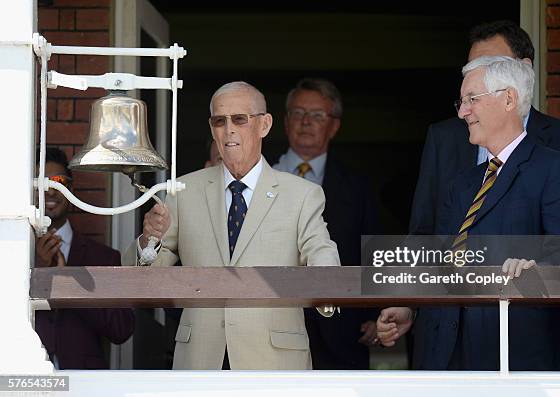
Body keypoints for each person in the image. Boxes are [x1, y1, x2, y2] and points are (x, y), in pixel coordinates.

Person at [378, 20, 560, 371]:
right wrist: (409, 300)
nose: (462, 111)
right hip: (444, 346)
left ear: (509, 97)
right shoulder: (464, 181)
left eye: (472, 99)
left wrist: (535, 270)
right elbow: (432, 244)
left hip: (514, 346)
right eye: (462, 100)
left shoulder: (555, 164)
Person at [122, 81, 341, 370]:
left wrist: (328, 287)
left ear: (264, 125)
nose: (229, 130)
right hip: (201, 358)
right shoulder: (184, 190)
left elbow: (320, 250)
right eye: (219, 121)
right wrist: (149, 240)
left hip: (273, 361)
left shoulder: (301, 194)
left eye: (240, 119)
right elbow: (145, 276)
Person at [274, 78, 380, 369]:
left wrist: (374, 312)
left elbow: (371, 249)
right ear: (285, 122)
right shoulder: (262, 176)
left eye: (317, 115)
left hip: (343, 328)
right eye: (298, 113)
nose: (306, 122)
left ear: (334, 126)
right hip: (274, 321)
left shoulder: (358, 187)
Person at [34, 147, 135, 369]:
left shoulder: (104, 257)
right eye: (42, 183)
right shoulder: (14, 256)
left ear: (71, 188)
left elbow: (122, 329)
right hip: (23, 380)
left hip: (86, 383)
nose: (51, 191)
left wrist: (70, 284)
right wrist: (38, 270)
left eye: (58, 181)